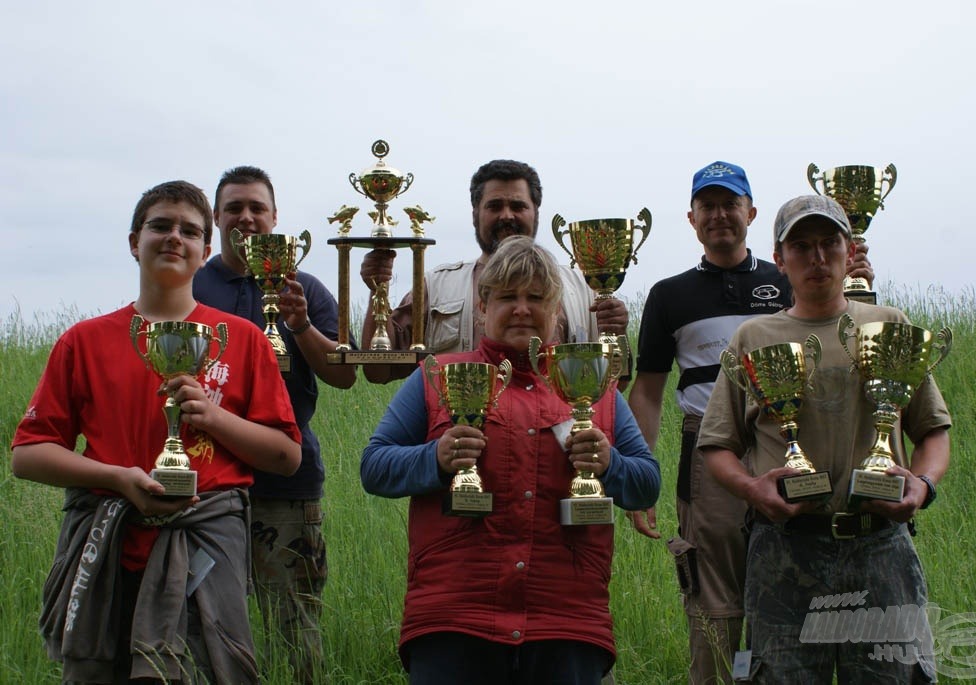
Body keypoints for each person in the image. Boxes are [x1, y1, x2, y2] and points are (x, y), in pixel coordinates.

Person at [11, 180, 302, 684]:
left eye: (189, 231)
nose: (174, 237)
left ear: (206, 251)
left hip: (205, 552)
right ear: (133, 241)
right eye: (160, 226)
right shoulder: (84, 341)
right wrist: (119, 478)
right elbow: (28, 455)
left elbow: (285, 455)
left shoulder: (244, 340)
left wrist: (214, 419)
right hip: (108, 548)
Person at [361, 236, 660, 684]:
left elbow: (647, 483)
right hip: (454, 620)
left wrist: (610, 464)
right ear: (482, 307)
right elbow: (374, 467)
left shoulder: (597, 386)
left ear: (557, 310)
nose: (522, 308)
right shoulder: (436, 376)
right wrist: (435, 458)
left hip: (567, 621)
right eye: (507, 297)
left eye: (536, 297)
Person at [626, 162, 874, 684]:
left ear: (751, 213)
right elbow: (647, 391)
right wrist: (640, 476)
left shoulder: (785, 276)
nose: (719, 215)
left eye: (730, 204)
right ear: (691, 218)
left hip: (787, 447)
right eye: (708, 206)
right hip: (705, 455)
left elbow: (837, 329)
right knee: (713, 595)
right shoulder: (669, 295)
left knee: (794, 580)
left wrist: (858, 287)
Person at [698, 194, 950, 682]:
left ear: (847, 247)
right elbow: (717, 446)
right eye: (802, 246)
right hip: (785, 549)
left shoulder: (888, 325)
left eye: (829, 243)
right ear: (779, 259)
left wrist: (921, 487)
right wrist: (752, 491)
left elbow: (933, 430)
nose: (817, 258)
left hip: (880, 545)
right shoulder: (753, 337)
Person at [193, 165, 356, 683]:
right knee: (204, 625)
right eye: (235, 207)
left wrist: (301, 324)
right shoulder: (191, 284)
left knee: (294, 630)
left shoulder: (302, 286)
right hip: (200, 483)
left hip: (288, 482)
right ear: (217, 217)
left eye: (256, 207)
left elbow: (342, 377)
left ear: (275, 217)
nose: (246, 217)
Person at [358, 158, 629, 384]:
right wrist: (376, 288)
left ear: (536, 212)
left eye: (518, 206)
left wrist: (618, 332)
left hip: (556, 441)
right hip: (460, 443)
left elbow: (617, 382)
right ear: (476, 213)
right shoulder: (436, 287)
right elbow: (378, 370)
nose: (507, 215)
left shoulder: (582, 288)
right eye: (495, 206)